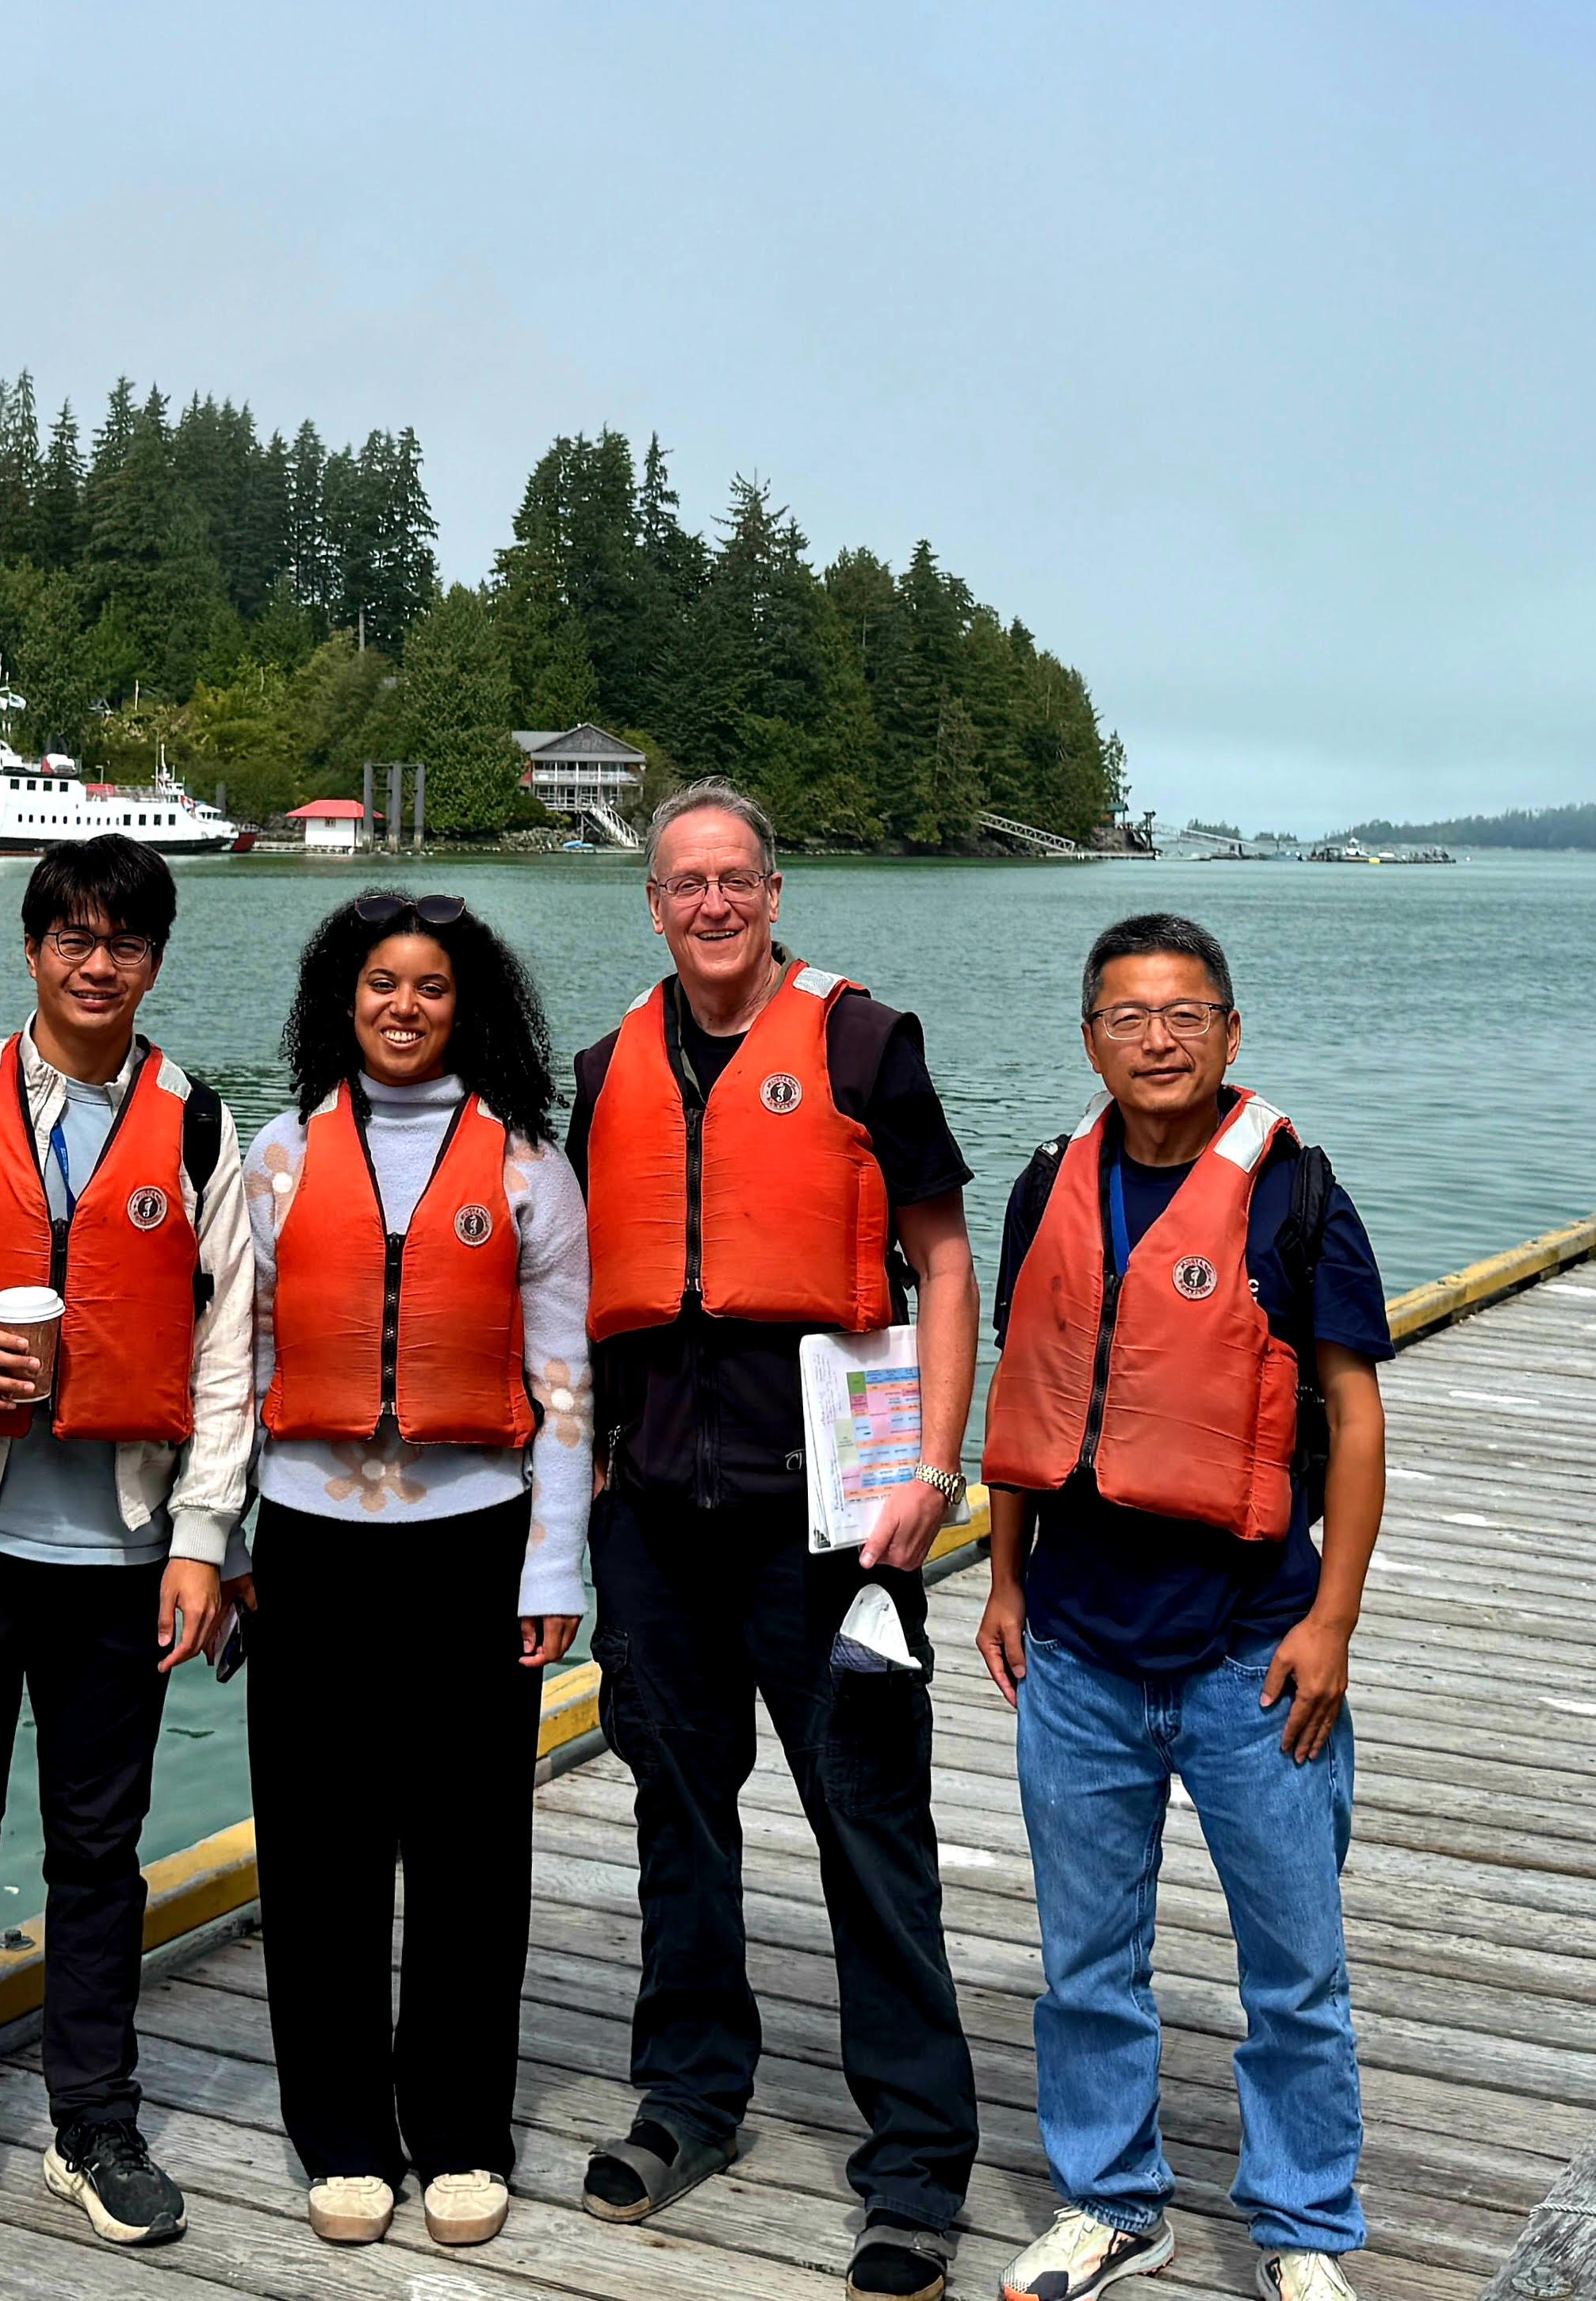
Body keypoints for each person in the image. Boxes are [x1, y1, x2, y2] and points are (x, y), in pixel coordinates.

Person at [568, 780, 982, 2301]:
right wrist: (577, 1512)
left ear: (775, 890)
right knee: (676, 1815)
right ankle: (689, 2096)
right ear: (656, 902)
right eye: (685, 883)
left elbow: (942, 1263)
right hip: (656, 1516)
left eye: (736, 878)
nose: (712, 904)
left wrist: (933, 1468)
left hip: (835, 1519)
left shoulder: (868, 1045)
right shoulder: (605, 1061)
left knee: (868, 1826)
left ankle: (917, 2164)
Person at [979, 914, 1389, 2301]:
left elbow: (1351, 1408)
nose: (1157, 1039)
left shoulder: (1295, 1195)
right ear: (1088, 1034)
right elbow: (1034, 1385)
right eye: (1127, 1015)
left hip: (1249, 1656)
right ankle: (1112, 2199)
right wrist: (1002, 1577)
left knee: (1294, 1973)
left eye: (1185, 1013)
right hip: (1080, 1654)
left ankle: (1302, 2226)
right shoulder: (1048, 1185)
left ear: (1228, 1031)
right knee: (1085, 1962)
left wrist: (1328, 1620)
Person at [0, 833, 255, 2267]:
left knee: (100, 1855)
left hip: (121, 1557)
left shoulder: (197, 1124)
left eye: (128, 944)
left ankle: (96, 2119)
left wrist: (203, 1540)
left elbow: (228, 1357)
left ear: (155, 961)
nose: (100, 966)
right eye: (74, 939)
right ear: (31, 948)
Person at [238, 890, 591, 2250]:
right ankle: (337, 2129)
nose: (402, 1005)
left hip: (473, 1545)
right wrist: (220, 1540)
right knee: (317, 1847)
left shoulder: (523, 1168)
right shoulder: (274, 1158)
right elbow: (241, 1370)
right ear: (342, 997)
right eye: (379, 982)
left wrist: (551, 1564)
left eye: (430, 986)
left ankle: (459, 2130)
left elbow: (564, 1385)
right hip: (309, 1548)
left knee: (467, 1851)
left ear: (468, 1004)